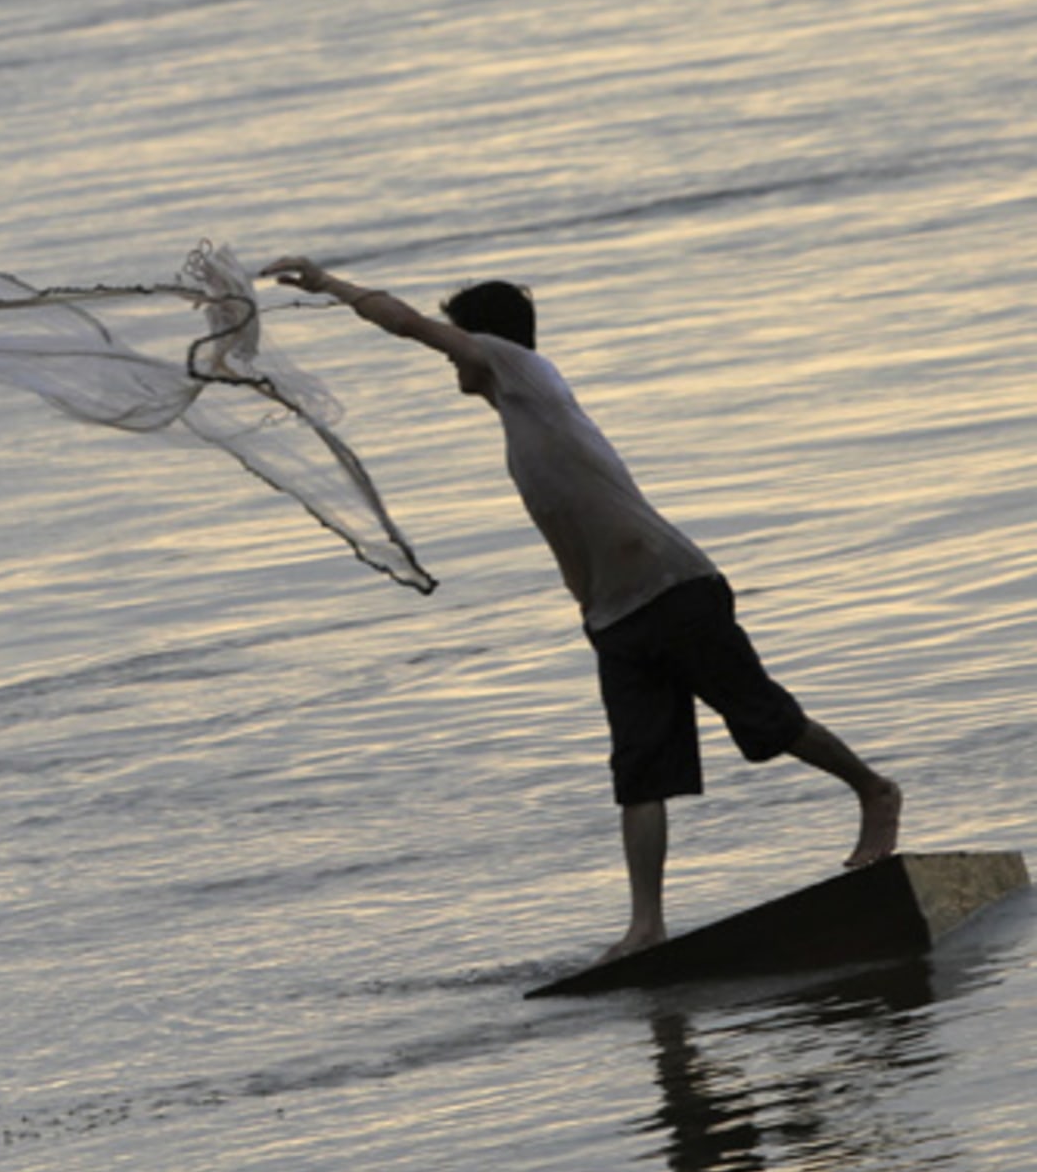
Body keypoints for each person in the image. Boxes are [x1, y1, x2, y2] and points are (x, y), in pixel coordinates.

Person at [263, 257, 903, 962]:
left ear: (483, 341)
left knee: (764, 720)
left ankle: (874, 791)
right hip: (615, 620)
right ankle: (646, 928)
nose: (450, 357)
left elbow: (408, 325)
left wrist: (329, 285)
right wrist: (592, 615)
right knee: (639, 774)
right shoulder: (517, 414)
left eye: (458, 341)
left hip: (675, 588)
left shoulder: (526, 373)